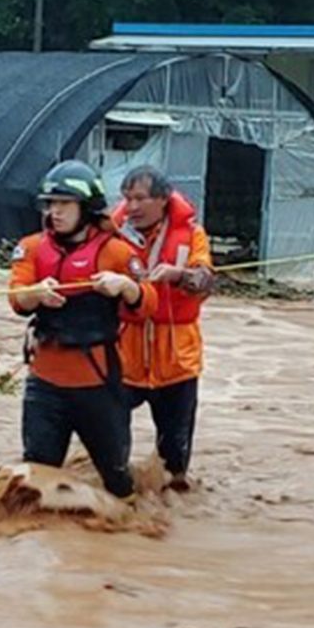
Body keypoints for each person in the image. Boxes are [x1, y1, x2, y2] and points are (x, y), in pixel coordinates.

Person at [9, 160, 156, 498]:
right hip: (45, 387)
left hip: (99, 387)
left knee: (117, 481)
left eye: (64, 204)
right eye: (50, 203)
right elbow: (16, 296)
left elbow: (149, 305)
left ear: (86, 208)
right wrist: (35, 294)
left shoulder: (117, 252)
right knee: (36, 480)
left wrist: (126, 287)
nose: (54, 212)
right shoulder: (31, 247)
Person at [110, 166, 214, 491]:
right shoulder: (112, 233)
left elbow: (207, 281)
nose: (132, 207)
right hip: (123, 357)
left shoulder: (193, 234)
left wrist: (178, 275)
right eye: (127, 199)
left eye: (140, 198)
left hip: (176, 363)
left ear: (163, 200)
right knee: (109, 451)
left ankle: (170, 514)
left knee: (174, 464)